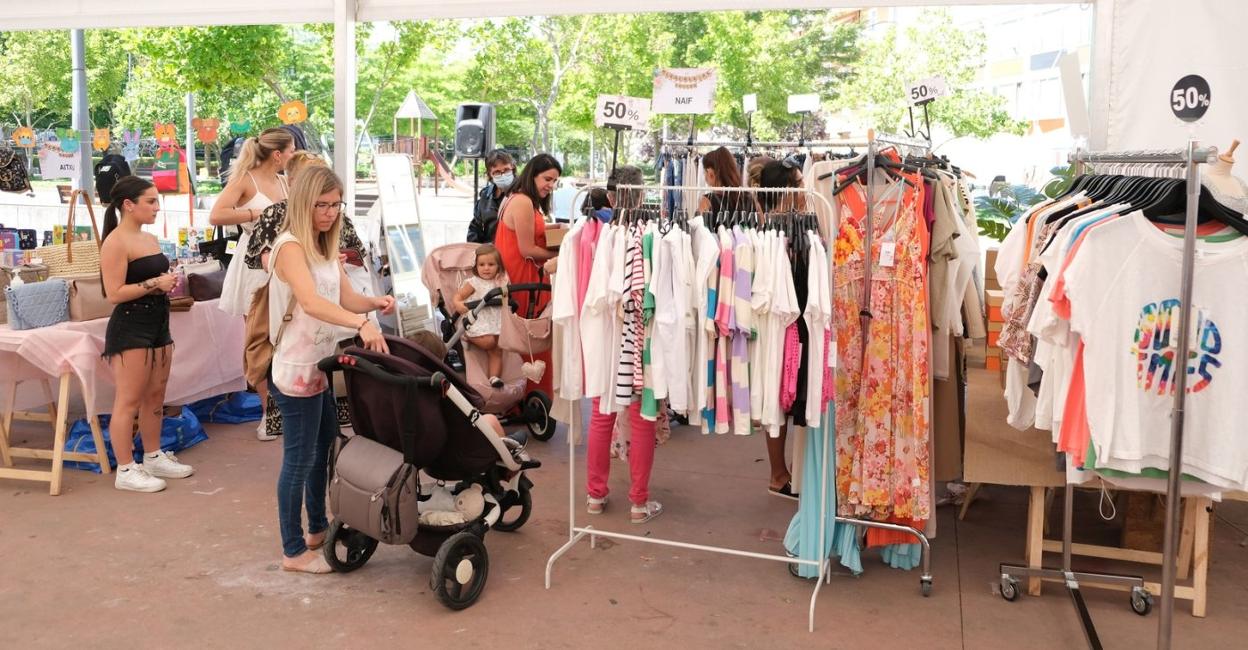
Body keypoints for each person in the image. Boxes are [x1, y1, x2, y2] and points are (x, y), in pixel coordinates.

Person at [266, 166, 396, 573]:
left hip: (319, 365)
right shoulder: (289, 247)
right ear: (304, 203)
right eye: (321, 204)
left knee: (323, 449)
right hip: (296, 369)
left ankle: (317, 528)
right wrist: (360, 324)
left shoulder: (325, 245)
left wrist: (374, 305)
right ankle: (292, 551)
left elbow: (344, 297)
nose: (328, 212)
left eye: (335, 204)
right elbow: (310, 302)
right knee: (299, 459)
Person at [99, 176, 193, 493]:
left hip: (158, 322)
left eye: (157, 201)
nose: (157, 207)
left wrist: (165, 280)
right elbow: (113, 293)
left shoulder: (150, 239)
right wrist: (155, 284)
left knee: (156, 395)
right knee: (128, 400)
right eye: (150, 201)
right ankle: (126, 467)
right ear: (129, 205)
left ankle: (152, 455)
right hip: (131, 325)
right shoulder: (114, 242)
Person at [210, 127, 295, 441]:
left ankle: (286, 409)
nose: (291, 156)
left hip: (283, 259)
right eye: (289, 151)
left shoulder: (284, 181)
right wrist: (252, 213)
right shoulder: (246, 179)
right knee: (260, 337)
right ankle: (267, 412)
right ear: (277, 155)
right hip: (252, 261)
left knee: (285, 335)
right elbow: (216, 214)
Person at [756, 159, 808, 500]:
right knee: (780, 396)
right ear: (786, 190)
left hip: (788, 318)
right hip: (782, 320)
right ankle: (778, 474)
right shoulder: (775, 230)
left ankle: (785, 472)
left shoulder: (786, 224)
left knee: (783, 397)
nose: (805, 190)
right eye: (800, 183)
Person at [495, 153, 562, 397]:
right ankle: (538, 399)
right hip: (524, 281)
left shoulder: (517, 198)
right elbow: (527, 250)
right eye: (547, 179)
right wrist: (560, 252)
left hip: (522, 279)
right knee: (533, 340)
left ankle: (528, 398)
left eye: (554, 181)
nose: (550, 185)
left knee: (526, 342)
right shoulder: (523, 201)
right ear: (533, 174)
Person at [452, 244, 509, 388]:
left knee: (497, 349)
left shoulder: (500, 281)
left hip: (495, 319)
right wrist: (458, 304)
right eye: (482, 264)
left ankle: (494, 377)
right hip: (477, 319)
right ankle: (467, 335)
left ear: (498, 266)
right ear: (476, 266)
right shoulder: (474, 283)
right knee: (489, 342)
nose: (486, 268)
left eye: (491, 264)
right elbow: (458, 296)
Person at [467, 150, 516, 244]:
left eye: (506, 170)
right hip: (489, 252)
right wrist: (476, 250)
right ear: (490, 174)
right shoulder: (485, 195)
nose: (503, 175)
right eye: (497, 172)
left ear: (512, 167)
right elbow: (475, 227)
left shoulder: (522, 192)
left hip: (513, 249)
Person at [698, 146, 758, 218]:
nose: (704, 176)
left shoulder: (707, 201)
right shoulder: (749, 198)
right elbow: (760, 226)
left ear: (710, 173)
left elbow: (698, 227)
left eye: (704, 172)